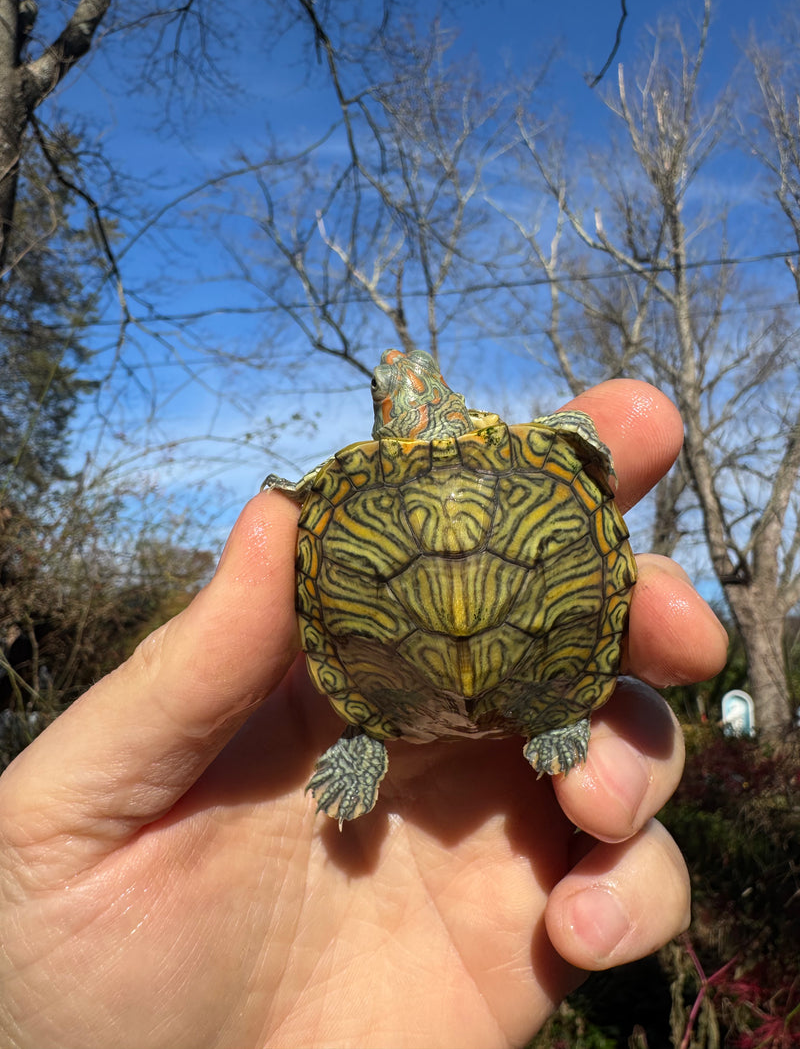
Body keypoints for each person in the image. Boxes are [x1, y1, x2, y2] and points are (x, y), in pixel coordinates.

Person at [0, 379, 728, 1049]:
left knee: (595, 751)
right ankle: (394, 732)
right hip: (426, 695)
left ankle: (544, 715)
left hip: (477, 689)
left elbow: (579, 446)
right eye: (388, 387)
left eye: (405, 382)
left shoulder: (525, 449)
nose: (395, 385)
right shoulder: (526, 455)